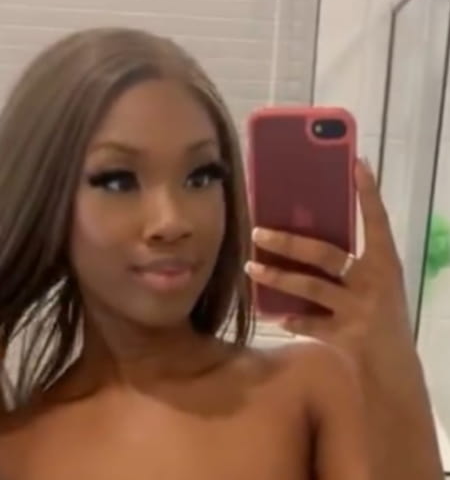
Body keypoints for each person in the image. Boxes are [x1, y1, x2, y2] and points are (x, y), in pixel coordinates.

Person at [0, 28, 440, 480]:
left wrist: (392, 359)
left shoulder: (310, 388)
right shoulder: (17, 450)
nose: (172, 220)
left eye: (201, 176)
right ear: (46, 200)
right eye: (118, 180)